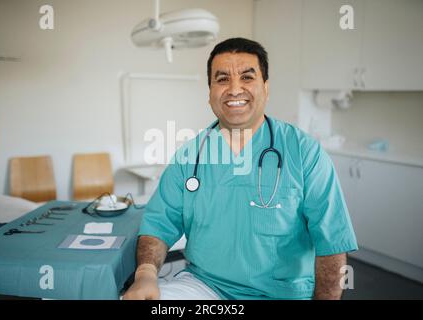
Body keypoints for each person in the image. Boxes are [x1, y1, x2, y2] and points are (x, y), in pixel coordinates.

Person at [123, 38, 358, 300]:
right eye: (222, 79)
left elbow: (332, 244)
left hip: (283, 294)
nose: (234, 89)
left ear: (266, 88)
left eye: (247, 77)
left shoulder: (304, 153)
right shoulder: (190, 156)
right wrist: (145, 275)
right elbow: (158, 224)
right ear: (210, 91)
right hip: (205, 287)